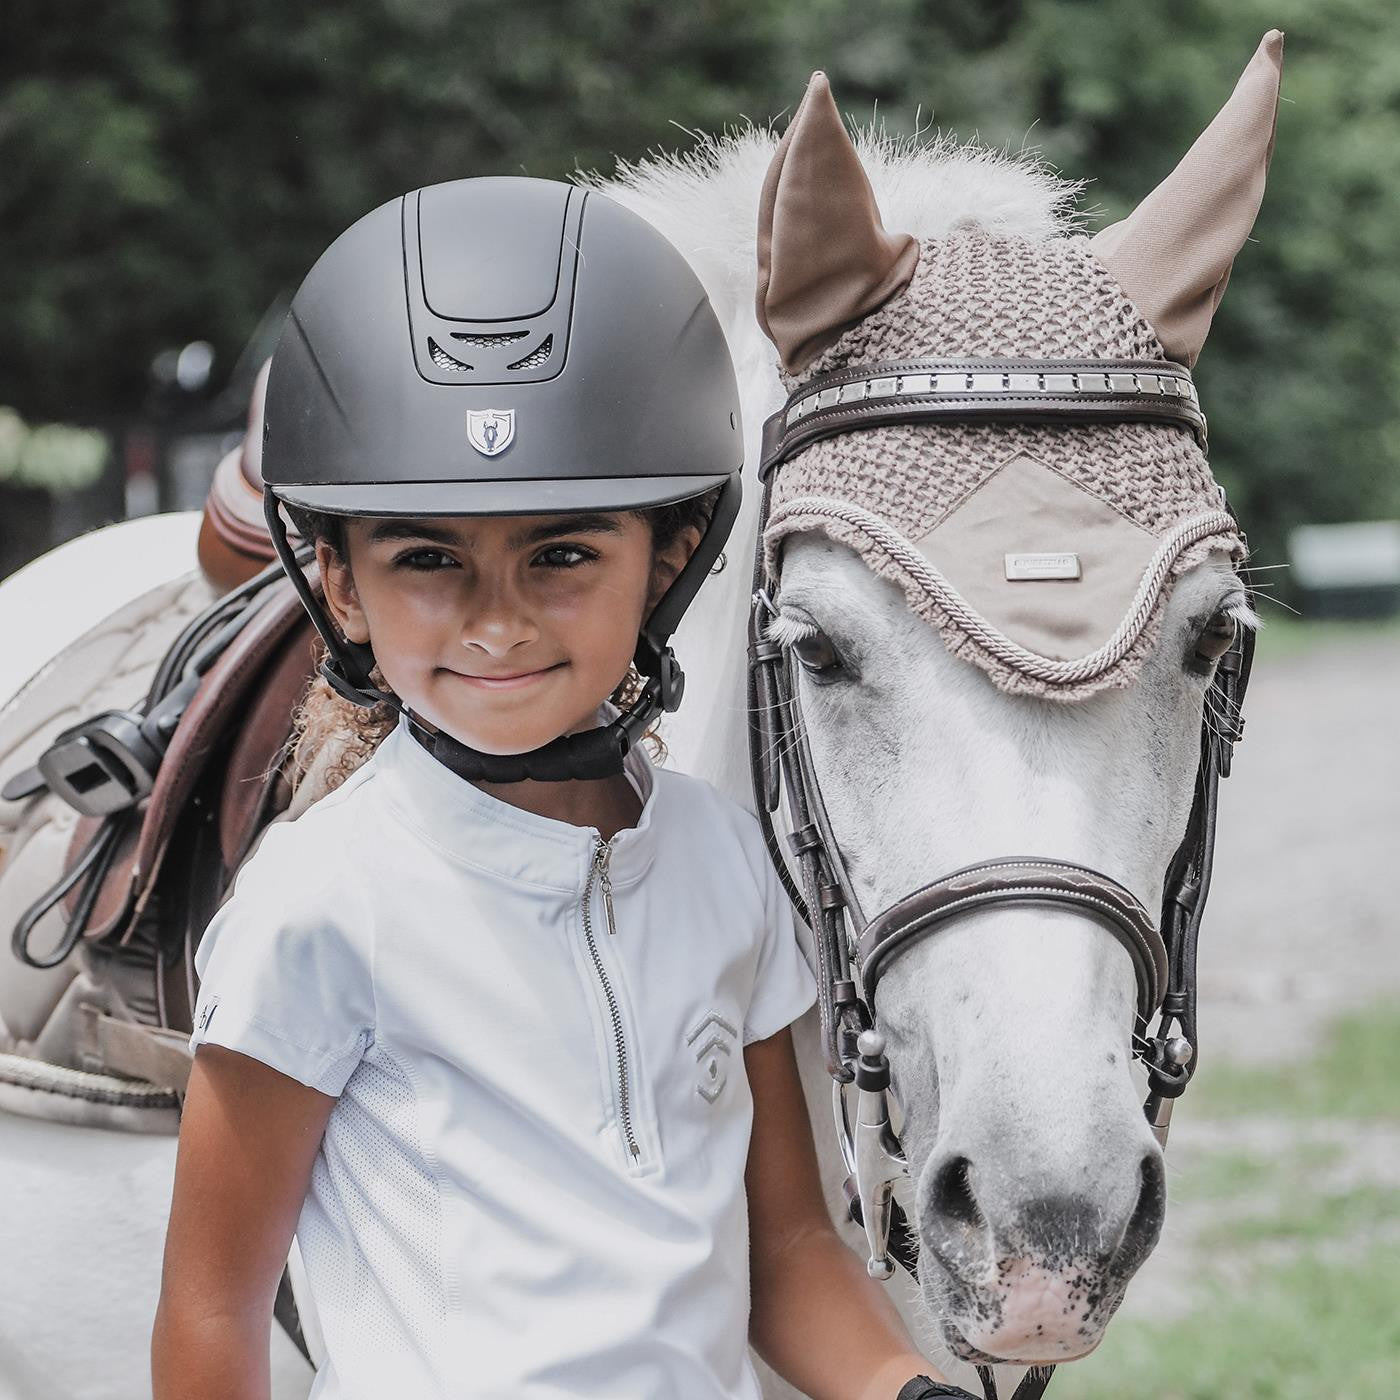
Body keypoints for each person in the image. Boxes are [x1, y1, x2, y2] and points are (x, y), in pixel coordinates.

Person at [151, 175, 958, 1400]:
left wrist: (910, 1390)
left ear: (671, 555)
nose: (495, 619)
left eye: (563, 551)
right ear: (344, 584)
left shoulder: (723, 859)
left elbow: (787, 1249)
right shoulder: (319, 905)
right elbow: (213, 1308)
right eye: (428, 559)